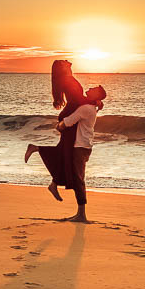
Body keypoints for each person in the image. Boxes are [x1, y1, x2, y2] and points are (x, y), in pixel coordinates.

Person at [24, 59, 84, 201]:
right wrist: (94, 101)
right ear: (61, 68)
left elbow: (78, 100)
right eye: (64, 62)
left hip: (70, 116)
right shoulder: (67, 80)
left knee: (64, 151)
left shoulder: (68, 78)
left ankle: (54, 183)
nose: (67, 60)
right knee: (66, 152)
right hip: (69, 117)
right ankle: (36, 148)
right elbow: (78, 100)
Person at [56, 85, 106, 222]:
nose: (90, 88)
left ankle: (81, 215)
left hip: (80, 146)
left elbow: (69, 122)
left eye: (94, 89)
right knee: (78, 177)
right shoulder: (91, 106)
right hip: (86, 145)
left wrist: (59, 126)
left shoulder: (86, 108)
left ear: (96, 96)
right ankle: (80, 213)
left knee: (78, 179)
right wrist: (99, 103)